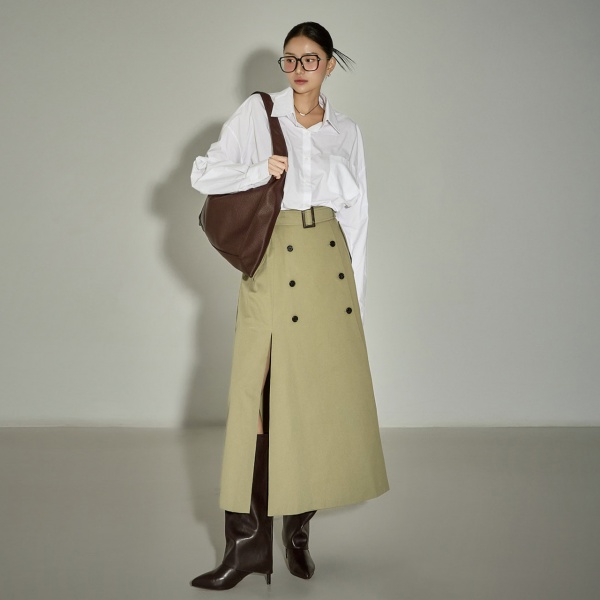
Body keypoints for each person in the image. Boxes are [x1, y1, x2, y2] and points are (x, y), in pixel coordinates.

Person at [189, 21, 389, 591]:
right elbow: (204, 173)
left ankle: (297, 537)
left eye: (310, 59)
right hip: (274, 262)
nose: (299, 69)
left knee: (312, 404)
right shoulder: (258, 114)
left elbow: (358, 216)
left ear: (329, 65)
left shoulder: (346, 130)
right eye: (290, 59)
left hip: (329, 272)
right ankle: (245, 549)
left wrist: (356, 299)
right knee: (255, 401)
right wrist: (260, 171)